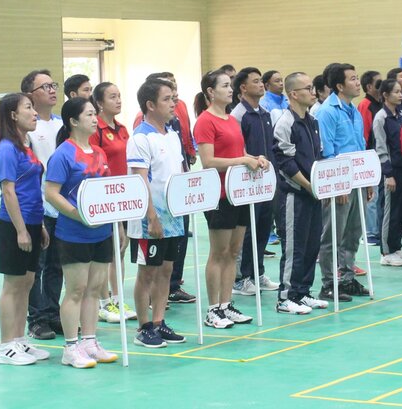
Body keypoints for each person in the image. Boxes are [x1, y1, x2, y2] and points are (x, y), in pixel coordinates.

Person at [44, 97, 118, 368]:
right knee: (76, 290)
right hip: (74, 233)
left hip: (101, 232)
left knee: (95, 289)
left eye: (94, 114)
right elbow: (51, 193)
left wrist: (114, 221)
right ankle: (70, 347)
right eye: (89, 114)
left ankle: (89, 342)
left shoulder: (99, 152)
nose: (95, 119)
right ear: (73, 121)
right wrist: (79, 215)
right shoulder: (63, 154)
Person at [193, 70, 269, 328]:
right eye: (225, 85)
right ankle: (213, 309)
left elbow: (240, 151)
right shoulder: (205, 121)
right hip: (219, 195)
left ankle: (226, 305)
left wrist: (255, 158)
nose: (230, 90)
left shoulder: (231, 120)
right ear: (210, 92)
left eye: (230, 85)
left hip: (239, 194)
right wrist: (243, 160)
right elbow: (208, 161)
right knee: (219, 252)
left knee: (233, 252)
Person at [0, 93, 51, 365]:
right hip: (13, 224)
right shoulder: (6, 149)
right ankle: (5, 346)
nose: (34, 113)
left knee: (26, 283)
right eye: (28, 108)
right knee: (13, 285)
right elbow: (8, 191)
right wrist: (21, 230)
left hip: (33, 221)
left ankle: (19, 340)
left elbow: (32, 189)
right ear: (13, 115)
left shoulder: (26, 145)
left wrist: (39, 225)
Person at [128, 80, 187, 348]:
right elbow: (140, 181)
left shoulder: (172, 134)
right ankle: (144, 327)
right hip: (148, 220)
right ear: (150, 105)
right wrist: (151, 216)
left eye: (173, 98)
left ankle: (159, 321)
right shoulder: (140, 138)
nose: (173, 104)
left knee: (166, 270)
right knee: (147, 273)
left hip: (173, 217)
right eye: (167, 99)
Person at [314, 63, 373, 301]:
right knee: (332, 235)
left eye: (357, 78)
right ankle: (329, 283)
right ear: (339, 85)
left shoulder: (353, 110)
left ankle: (347, 278)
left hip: (358, 180)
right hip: (339, 184)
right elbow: (326, 151)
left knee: (353, 233)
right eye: (353, 79)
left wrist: (368, 180)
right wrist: (337, 185)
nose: (358, 83)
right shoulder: (327, 112)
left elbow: (360, 146)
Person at [272, 72, 329, 314]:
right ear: (294, 94)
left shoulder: (313, 122)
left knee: (311, 245)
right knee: (294, 248)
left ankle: (303, 292)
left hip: (313, 195)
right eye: (308, 88)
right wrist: (308, 185)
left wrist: (322, 186)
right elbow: (286, 163)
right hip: (293, 196)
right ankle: (286, 297)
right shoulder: (285, 123)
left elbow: (318, 157)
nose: (313, 92)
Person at [21, 69, 64, 340]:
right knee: (36, 266)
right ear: (30, 95)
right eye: (44, 87)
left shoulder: (63, 125)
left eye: (53, 85)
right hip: (39, 208)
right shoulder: (29, 129)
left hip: (64, 207)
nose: (52, 90)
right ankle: (36, 319)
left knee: (57, 265)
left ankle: (53, 313)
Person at [89, 82, 137, 323]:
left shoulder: (122, 129)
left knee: (120, 250)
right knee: (105, 253)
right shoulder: (95, 129)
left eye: (119, 96)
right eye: (112, 97)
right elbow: (96, 165)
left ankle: (117, 299)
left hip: (123, 197)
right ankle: (103, 302)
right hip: (105, 198)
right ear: (99, 102)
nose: (118, 100)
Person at [230, 67, 280, 296]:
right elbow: (237, 151)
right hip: (247, 182)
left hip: (265, 182)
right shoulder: (238, 116)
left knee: (263, 228)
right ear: (243, 87)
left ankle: (257, 273)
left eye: (261, 81)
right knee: (247, 231)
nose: (261, 85)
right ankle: (241, 278)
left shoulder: (265, 113)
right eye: (256, 81)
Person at [374, 79, 402, 267]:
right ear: (385, 95)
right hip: (392, 172)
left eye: (400, 91)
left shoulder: (401, 114)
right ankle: (386, 251)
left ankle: (396, 246)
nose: (400, 94)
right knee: (390, 212)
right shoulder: (381, 118)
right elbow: (381, 148)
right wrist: (388, 174)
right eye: (396, 92)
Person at [357, 70, 384, 246]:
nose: (382, 86)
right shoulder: (365, 105)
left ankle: (377, 228)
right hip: (370, 157)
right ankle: (370, 232)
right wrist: (367, 159)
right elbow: (365, 134)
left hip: (378, 157)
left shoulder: (379, 104)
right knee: (371, 196)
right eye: (378, 83)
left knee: (379, 195)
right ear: (369, 87)